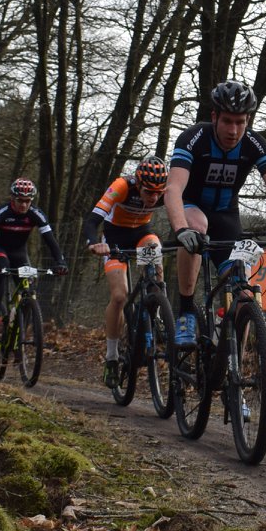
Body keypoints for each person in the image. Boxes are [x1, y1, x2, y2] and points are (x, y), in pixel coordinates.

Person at [164, 80, 266, 348]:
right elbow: (173, 188)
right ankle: (186, 310)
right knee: (198, 225)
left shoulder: (255, 144)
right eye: (227, 121)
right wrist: (181, 229)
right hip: (191, 209)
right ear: (214, 117)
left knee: (244, 296)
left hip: (227, 217)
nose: (234, 130)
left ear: (248, 119)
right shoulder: (193, 138)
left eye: (240, 122)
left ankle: (232, 370)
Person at [85, 155, 170, 371]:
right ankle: (112, 355)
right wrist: (94, 243)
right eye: (148, 191)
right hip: (115, 237)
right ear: (138, 184)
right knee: (119, 296)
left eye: (158, 192)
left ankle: (157, 311)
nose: (153, 197)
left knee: (154, 249)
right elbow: (93, 219)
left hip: (142, 233)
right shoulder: (121, 186)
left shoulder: (164, 192)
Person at [0, 178, 68, 337]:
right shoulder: (1, 212)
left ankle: (20, 334)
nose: (24, 205)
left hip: (19, 252)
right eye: (20, 200)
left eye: (27, 201)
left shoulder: (36, 214)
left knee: (27, 287)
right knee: (2, 266)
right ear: (13, 198)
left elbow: (50, 240)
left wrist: (60, 261)